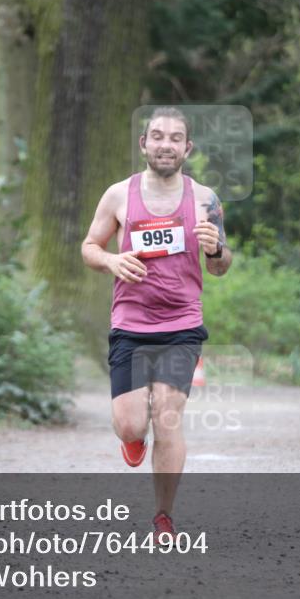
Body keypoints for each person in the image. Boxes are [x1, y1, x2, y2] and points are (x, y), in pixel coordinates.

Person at [81, 106, 233, 535]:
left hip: (182, 324)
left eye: (175, 138)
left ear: (187, 148)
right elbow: (89, 247)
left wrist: (215, 248)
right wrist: (111, 259)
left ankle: (163, 515)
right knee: (130, 422)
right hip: (130, 322)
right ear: (144, 143)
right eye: (158, 136)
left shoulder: (205, 199)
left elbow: (221, 268)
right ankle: (133, 436)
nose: (166, 144)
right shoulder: (118, 195)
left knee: (168, 414)